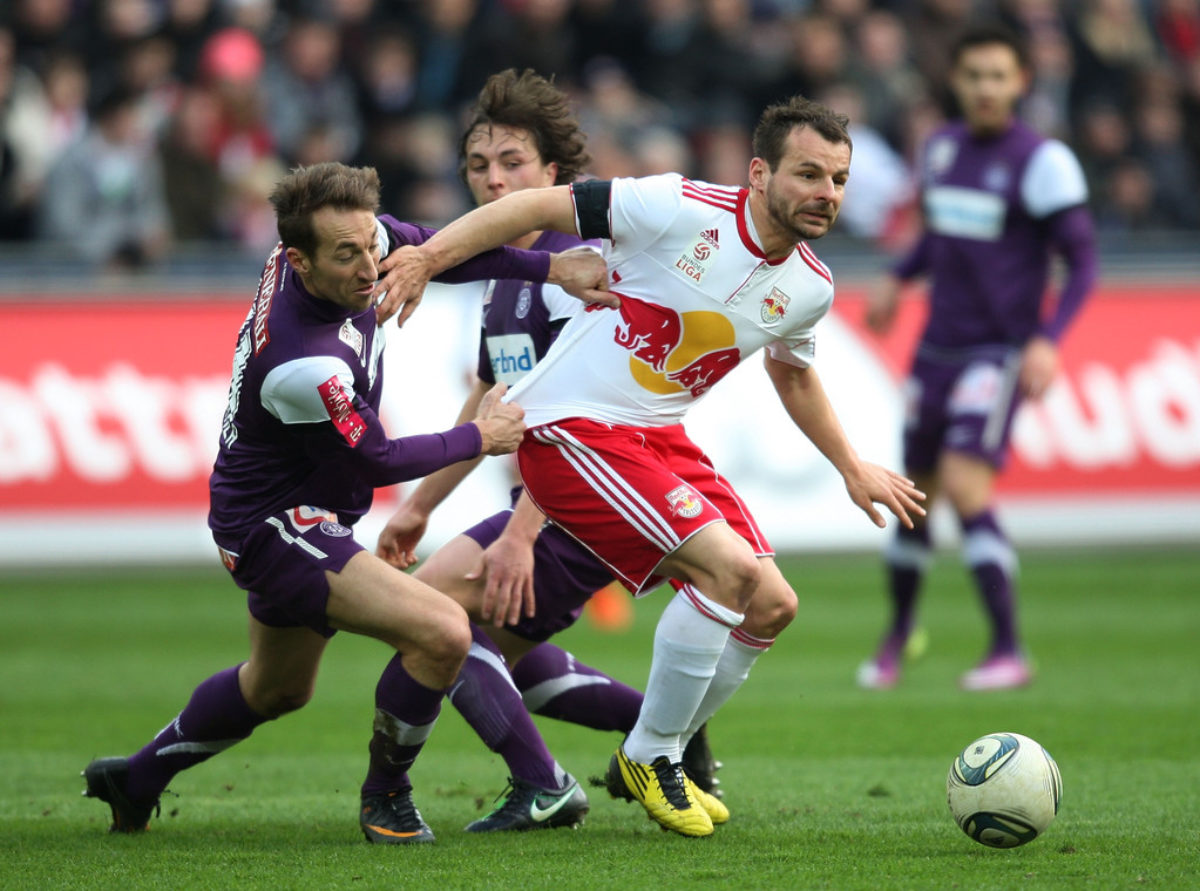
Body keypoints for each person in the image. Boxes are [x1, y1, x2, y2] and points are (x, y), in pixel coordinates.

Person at [372, 95, 926, 838]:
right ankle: (649, 751)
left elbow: (793, 375)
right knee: (725, 574)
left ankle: (649, 748)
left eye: (838, 179)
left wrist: (851, 464)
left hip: (655, 438)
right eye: (808, 174)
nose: (826, 193)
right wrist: (430, 256)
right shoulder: (675, 206)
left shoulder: (812, 286)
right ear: (759, 173)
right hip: (570, 433)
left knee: (771, 603)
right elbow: (537, 204)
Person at [81, 161, 610, 843]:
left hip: (290, 510)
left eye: (370, 246)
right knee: (444, 630)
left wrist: (545, 270)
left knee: (276, 688)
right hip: (280, 526)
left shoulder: (341, 244)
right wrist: (483, 433)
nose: (369, 267)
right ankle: (386, 796)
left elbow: (427, 249)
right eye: (347, 255)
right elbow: (377, 457)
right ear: (298, 261)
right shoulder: (306, 363)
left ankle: (137, 778)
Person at [372, 68, 720, 835]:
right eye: (478, 165)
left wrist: (521, 534)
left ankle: (545, 783)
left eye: (513, 164)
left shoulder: (579, 267)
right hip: (559, 505)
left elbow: (590, 412)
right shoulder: (506, 274)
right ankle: (666, 736)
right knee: (501, 657)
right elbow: (493, 400)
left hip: (582, 507)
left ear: (552, 175)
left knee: (430, 618)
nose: (493, 180)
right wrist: (420, 505)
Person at [858, 25, 1098, 692]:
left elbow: (1082, 261)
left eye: (999, 75)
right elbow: (940, 237)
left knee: (965, 488)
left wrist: (1049, 337)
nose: (986, 88)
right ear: (957, 83)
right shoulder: (939, 151)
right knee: (916, 494)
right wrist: (897, 276)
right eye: (974, 76)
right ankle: (897, 638)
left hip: (997, 353)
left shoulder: (1044, 161)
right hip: (935, 349)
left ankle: (1008, 648)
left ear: (1021, 82)